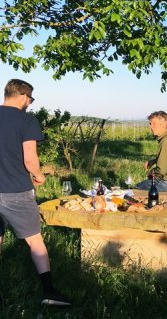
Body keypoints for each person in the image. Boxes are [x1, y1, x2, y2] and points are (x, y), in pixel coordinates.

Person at [0, 79, 71, 307]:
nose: (29, 103)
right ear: (22, 95)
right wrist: (39, 175)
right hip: (16, 191)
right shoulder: (26, 120)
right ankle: (49, 292)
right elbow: (30, 158)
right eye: (30, 99)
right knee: (35, 241)